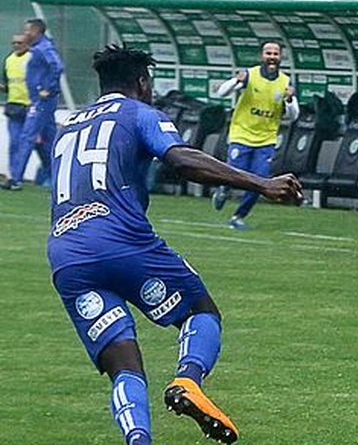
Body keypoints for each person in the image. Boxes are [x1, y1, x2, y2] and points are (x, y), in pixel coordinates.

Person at [48, 45, 303, 445]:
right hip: (122, 240)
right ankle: (188, 379)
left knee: (124, 365)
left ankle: (138, 439)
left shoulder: (69, 126)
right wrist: (261, 183)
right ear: (143, 83)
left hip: (66, 255)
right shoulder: (139, 113)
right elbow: (182, 160)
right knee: (200, 312)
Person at [210, 42, 300, 230]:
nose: (272, 56)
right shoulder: (250, 74)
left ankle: (238, 217)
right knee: (235, 171)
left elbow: (293, 116)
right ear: (262, 55)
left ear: (280, 57)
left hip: (266, 139)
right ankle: (224, 188)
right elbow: (221, 92)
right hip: (241, 134)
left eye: (275, 53)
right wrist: (236, 81)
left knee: (260, 180)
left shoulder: (285, 81)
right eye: (268, 53)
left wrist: (290, 100)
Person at [5, 18, 63, 190]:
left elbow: (57, 66)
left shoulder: (42, 49)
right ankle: (57, 178)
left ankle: (15, 179)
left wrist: (47, 88)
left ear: (36, 31)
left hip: (42, 101)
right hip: (40, 100)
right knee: (48, 143)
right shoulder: (38, 49)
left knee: (27, 137)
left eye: (27, 30)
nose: (25, 34)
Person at [1, 32, 31, 180]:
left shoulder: (32, 59)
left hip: (32, 107)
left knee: (41, 145)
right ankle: (15, 177)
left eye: (20, 43)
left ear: (27, 44)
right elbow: (6, 83)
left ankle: (50, 175)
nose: (16, 45)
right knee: (15, 143)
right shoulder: (9, 60)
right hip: (14, 106)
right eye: (14, 43)